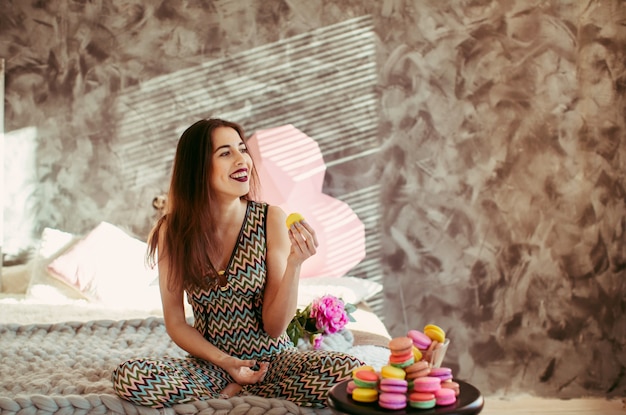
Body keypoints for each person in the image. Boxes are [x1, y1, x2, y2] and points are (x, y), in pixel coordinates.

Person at [111, 118, 364, 408]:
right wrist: (228, 362)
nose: (242, 159)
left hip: (275, 362)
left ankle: (240, 396)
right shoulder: (173, 231)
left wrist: (295, 265)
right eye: (225, 153)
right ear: (198, 168)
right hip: (212, 367)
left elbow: (274, 327)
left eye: (242, 149)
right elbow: (176, 322)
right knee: (129, 376)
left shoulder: (270, 219)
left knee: (351, 372)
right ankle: (245, 394)